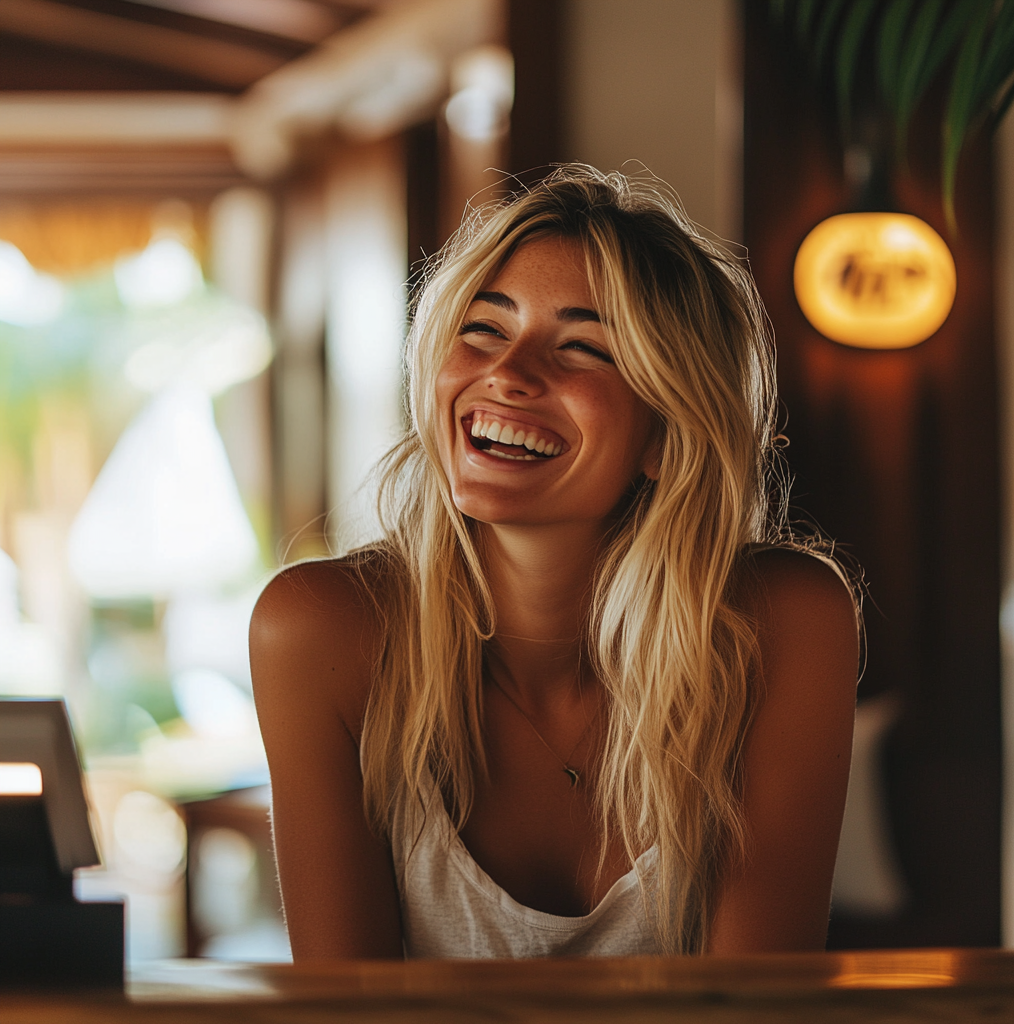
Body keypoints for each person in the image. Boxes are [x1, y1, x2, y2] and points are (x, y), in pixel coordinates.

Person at [250, 165, 859, 960]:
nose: (507, 373)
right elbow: (347, 1014)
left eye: (582, 348)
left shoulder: (784, 621)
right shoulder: (322, 631)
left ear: (664, 433)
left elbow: (754, 1010)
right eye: (483, 330)